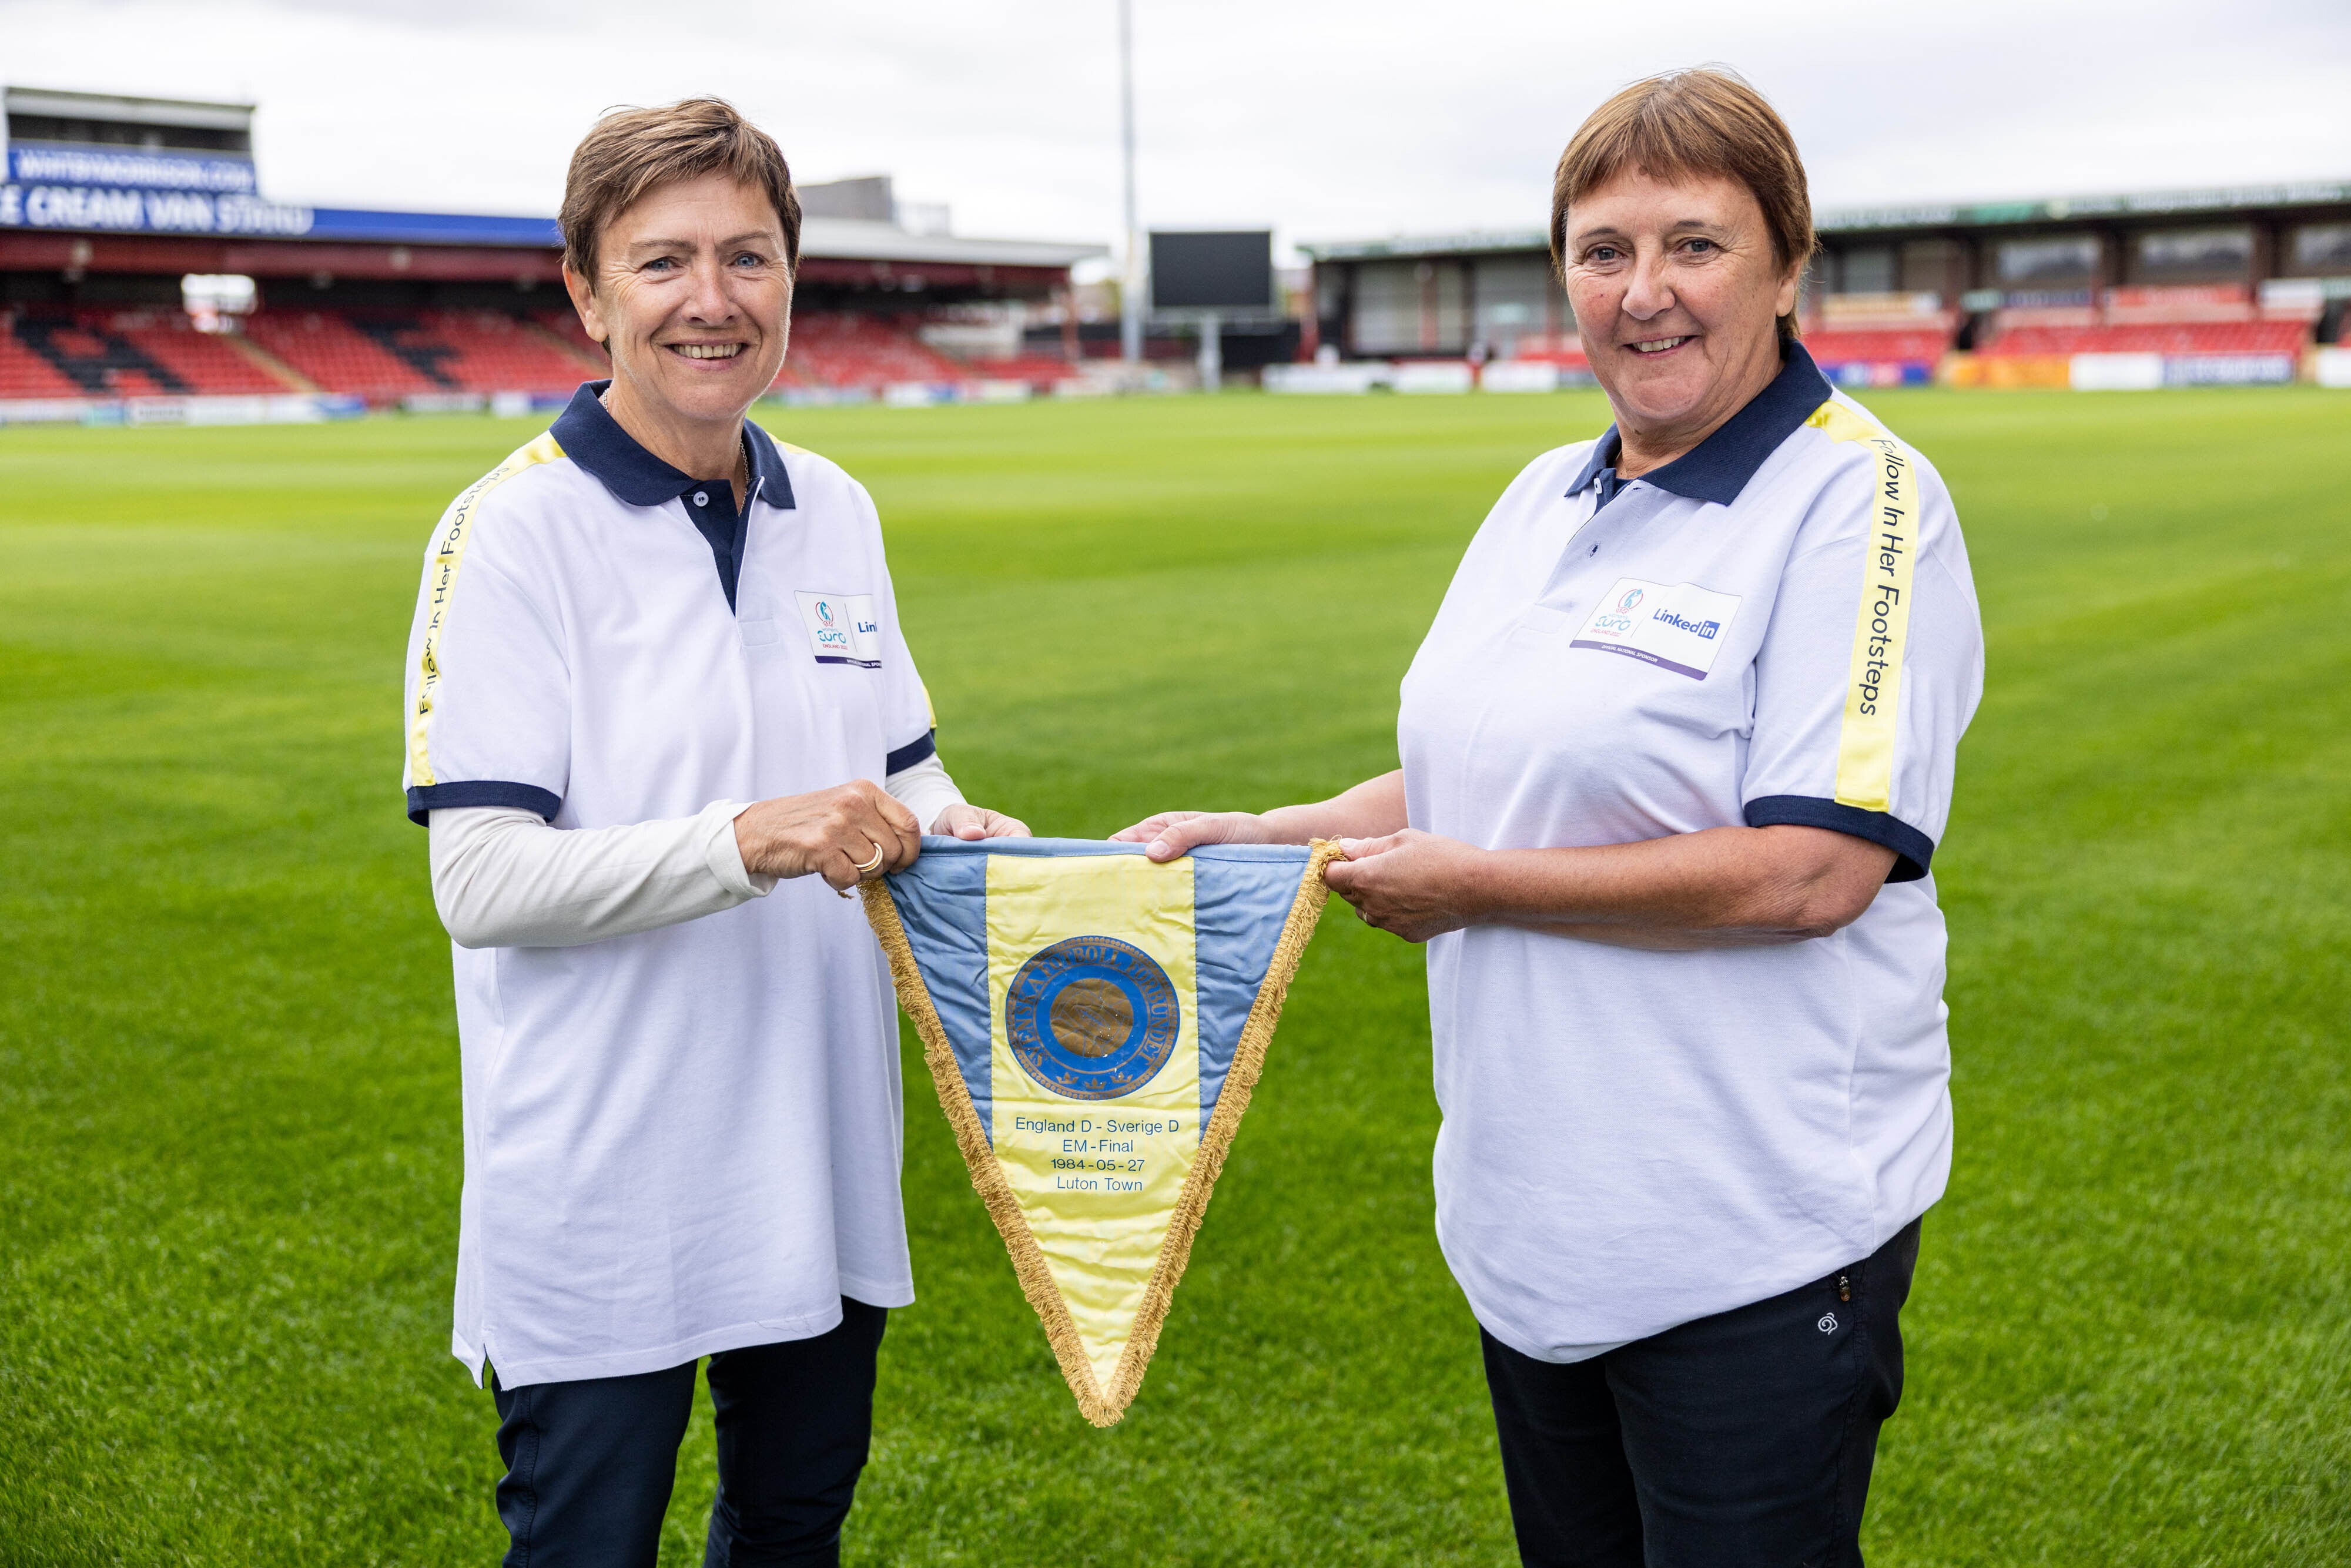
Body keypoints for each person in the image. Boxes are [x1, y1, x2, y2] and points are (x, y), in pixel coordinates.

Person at [1117, 68, 1982, 1567]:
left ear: (1786, 263)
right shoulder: (1539, 497)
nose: (1643, 292)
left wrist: (1480, 888)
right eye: (1602, 250)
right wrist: (1278, 828)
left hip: (1750, 1239)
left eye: (1694, 244)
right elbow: (1482, 764)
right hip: (1536, 1228)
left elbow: (1811, 868)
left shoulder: (1860, 501)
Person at [398, 98, 1026, 1567]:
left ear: (791, 282)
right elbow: (478, 879)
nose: (711, 299)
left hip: (814, 1149)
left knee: (790, 1531)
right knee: (582, 1548)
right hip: (607, 1176)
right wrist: (747, 839)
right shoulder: (508, 532)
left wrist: (958, 827)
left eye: (748, 257)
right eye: (663, 260)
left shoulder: (838, 509)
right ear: (587, 290)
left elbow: (904, 770)